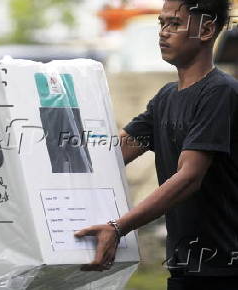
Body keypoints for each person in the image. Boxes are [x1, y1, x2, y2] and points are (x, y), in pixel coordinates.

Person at [75, 0, 238, 289]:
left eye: (174, 24)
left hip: (223, 271)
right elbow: (111, 155)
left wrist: (118, 227)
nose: (163, 32)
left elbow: (189, 177)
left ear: (206, 29)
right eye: (161, 23)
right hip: (185, 268)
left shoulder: (219, 93)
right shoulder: (166, 97)